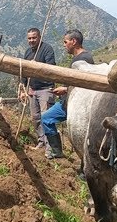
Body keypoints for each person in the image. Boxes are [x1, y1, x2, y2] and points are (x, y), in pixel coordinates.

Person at [38, 30, 95, 160]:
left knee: (47, 118)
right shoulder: (79, 58)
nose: (64, 45)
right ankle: (57, 151)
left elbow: (86, 84)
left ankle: (60, 152)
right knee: (46, 118)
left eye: (65, 42)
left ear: (73, 42)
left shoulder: (84, 59)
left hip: (75, 104)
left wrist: (65, 89)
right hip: (67, 101)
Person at [18, 28, 57, 151]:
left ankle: (50, 147)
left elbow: (51, 67)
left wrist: (37, 66)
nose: (31, 40)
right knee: (35, 118)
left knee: (47, 117)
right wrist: (23, 87)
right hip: (32, 89)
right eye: (29, 38)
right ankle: (41, 141)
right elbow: (25, 71)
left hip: (45, 88)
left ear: (39, 37)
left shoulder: (47, 49)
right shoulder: (28, 52)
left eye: (34, 37)